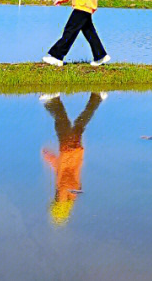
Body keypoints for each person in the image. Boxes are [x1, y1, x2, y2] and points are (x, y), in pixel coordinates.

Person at [40, 91, 105, 225]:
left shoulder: (71, 192)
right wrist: (49, 157)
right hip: (68, 149)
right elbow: (62, 169)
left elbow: (59, 170)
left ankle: (96, 98)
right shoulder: (63, 190)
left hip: (75, 151)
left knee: (77, 125)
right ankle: (54, 99)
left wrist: (49, 158)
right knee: (61, 121)